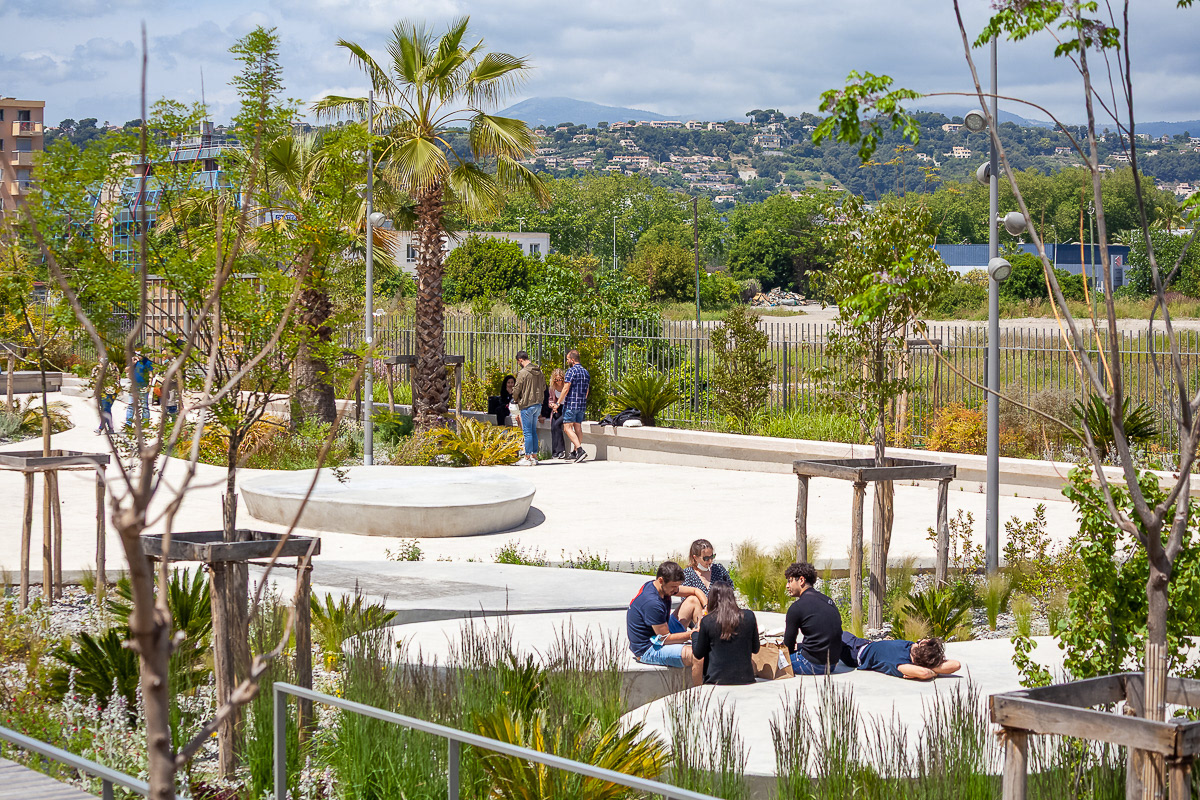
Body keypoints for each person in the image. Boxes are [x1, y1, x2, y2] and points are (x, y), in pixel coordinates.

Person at [627, 561, 707, 686]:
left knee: (692, 600)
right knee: (697, 654)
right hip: (648, 648)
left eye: (678, 586)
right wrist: (692, 635)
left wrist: (706, 609)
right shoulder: (652, 603)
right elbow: (664, 639)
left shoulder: (657, 586)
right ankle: (700, 691)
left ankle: (707, 632)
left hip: (661, 631)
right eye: (673, 587)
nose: (676, 590)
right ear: (661, 580)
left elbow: (696, 591)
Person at [782, 561, 843, 675]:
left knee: (776, 661)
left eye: (790, 581)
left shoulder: (797, 608)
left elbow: (788, 645)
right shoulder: (828, 600)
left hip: (812, 665)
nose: (787, 586)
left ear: (801, 580)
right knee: (800, 647)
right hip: (833, 664)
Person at [692, 583, 759, 686]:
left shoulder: (708, 621)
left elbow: (698, 654)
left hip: (716, 680)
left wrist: (696, 634)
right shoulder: (749, 616)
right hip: (746, 679)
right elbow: (755, 649)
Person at [839, 632, 961, 681]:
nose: (918, 639)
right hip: (864, 643)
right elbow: (956, 664)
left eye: (921, 641)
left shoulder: (900, 662)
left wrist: (927, 669)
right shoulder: (910, 649)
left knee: (830, 630)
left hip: (854, 652)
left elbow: (924, 674)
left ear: (921, 647)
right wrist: (931, 666)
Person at [677, 538, 734, 629]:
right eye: (706, 558)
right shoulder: (687, 574)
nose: (710, 561)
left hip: (722, 611)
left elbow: (730, 588)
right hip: (699, 615)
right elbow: (686, 600)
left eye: (712, 557)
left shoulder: (718, 569)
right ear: (695, 558)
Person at [512, 351, 547, 466]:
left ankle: (527, 457)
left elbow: (517, 389)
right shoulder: (539, 371)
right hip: (538, 404)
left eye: (518, 362)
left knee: (527, 432)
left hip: (527, 404)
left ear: (520, 360)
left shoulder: (523, 373)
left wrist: (515, 398)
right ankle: (534, 456)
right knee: (533, 431)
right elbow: (544, 387)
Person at [559, 349, 591, 462]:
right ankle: (575, 452)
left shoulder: (571, 371)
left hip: (571, 404)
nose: (567, 361)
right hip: (582, 404)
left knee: (567, 428)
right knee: (577, 427)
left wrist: (559, 402)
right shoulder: (586, 372)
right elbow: (587, 390)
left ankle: (580, 450)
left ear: (572, 360)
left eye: (568, 359)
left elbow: (566, 388)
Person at [126, 351, 153, 425]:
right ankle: (128, 423)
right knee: (131, 405)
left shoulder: (147, 362)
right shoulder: (134, 361)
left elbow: (150, 374)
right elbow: (126, 370)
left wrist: (149, 385)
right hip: (134, 386)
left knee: (144, 405)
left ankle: (145, 422)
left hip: (143, 386)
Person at [547, 368, 567, 458]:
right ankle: (555, 451)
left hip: (566, 409)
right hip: (557, 408)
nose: (559, 382)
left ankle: (561, 450)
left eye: (560, 379)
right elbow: (550, 400)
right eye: (557, 380)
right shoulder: (552, 388)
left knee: (557, 425)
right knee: (553, 426)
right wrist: (552, 405)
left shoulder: (566, 386)